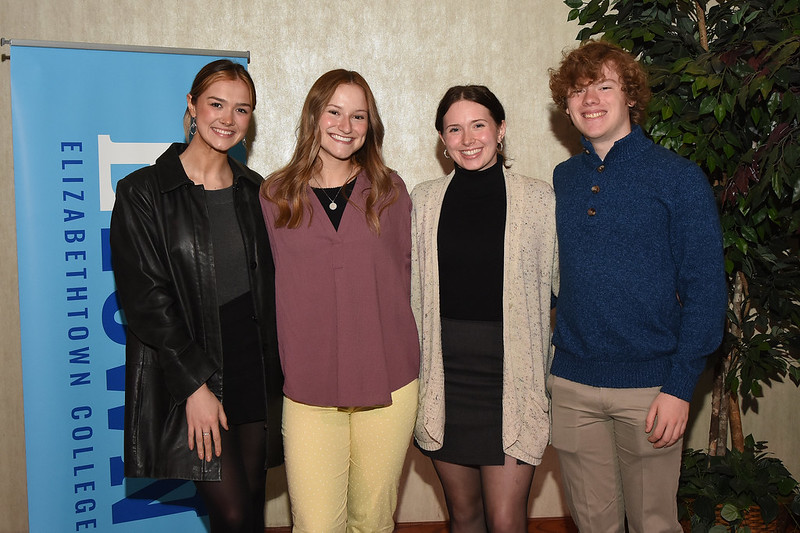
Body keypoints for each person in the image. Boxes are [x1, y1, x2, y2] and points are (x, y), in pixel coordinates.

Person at [547, 40, 728, 533]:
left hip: (652, 391)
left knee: (654, 524)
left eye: (604, 86)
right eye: (578, 91)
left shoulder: (678, 179)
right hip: (572, 386)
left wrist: (680, 386)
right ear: (565, 105)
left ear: (630, 96)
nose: (590, 100)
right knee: (593, 525)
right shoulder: (562, 180)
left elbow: (707, 294)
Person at [110, 59, 283, 533]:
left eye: (241, 109)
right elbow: (146, 301)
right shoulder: (143, 192)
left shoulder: (258, 192)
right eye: (216, 104)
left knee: (250, 506)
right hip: (188, 372)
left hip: (253, 368)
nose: (227, 119)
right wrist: (194, 386)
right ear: (191, 106)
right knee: (231, 514)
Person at [259, 69, 419, 533]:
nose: (345, 126)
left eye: (358, 116)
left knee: (372, 522)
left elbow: (416, 278)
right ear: (314, 115)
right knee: (314, 526)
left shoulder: (390, 192)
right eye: (334, 111)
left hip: (388, 383)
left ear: (371, 127)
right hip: (309, 389)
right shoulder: (274, 196)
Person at [412, 85, 559, 533]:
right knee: (464, 515)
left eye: (479, 125)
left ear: (501, 130)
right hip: (444, 376)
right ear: (442, 138)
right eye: (454, 129)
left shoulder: (540, 200)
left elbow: (564, 287)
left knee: (505, 518)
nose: (467, 138)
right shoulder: (422, 201)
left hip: (512, 376)